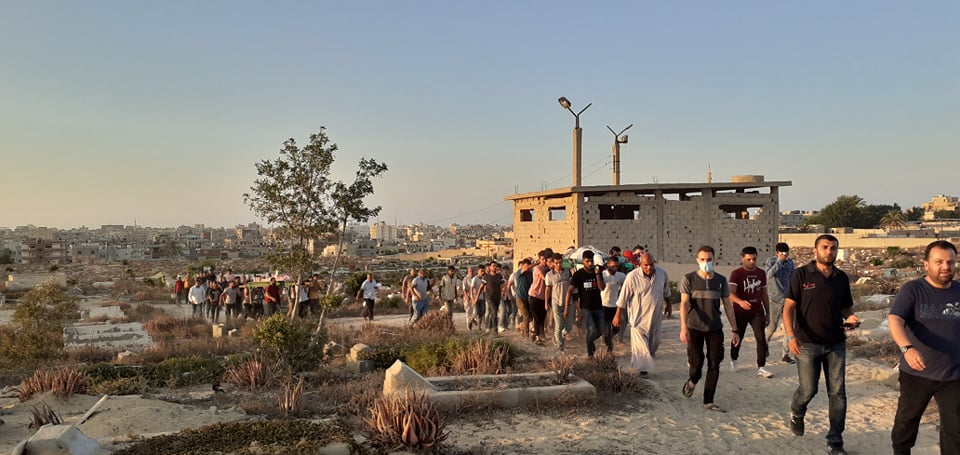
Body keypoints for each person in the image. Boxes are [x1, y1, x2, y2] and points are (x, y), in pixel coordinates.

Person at [784, 234, 859, 455]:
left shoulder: (841, 278)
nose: (829, 251)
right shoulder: (801, 274)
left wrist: (850, 318)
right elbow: (788, 307)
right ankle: (797, 411)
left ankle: (835, 441)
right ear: (815, 251)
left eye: (833, 248)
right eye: (825, 247)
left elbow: (846, 307)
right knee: (808, 390)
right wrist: (790, 336)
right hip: (806, 344)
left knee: (838, 394)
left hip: (836, 343)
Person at [888, 240, 960, 455]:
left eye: (950, 262)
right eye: (939, 262)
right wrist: (907, 348)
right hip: (916, 373)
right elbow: (894, 319)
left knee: (955, 429)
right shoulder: (913, 290)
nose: (945, 267)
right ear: (926, 264)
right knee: (906, 422)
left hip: (953, 374)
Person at [679, 245, 740, 413]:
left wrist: (735, 330)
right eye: (703, 259)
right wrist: (683, 327)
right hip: (694, 328)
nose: (706, 262)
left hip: (714, 328)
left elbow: (728, 305)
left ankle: (708, 400)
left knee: (715, 363)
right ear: (697, 260)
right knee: (696, 364)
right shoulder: (689, 279)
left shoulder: (720, 281)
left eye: (709, 259)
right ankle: (692, 381)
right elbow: (684, 304)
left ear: (714, 260)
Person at [613, 252, 670, 376]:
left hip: (655, 317)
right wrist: (617, 315)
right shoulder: (632, 277)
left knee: (654, 344)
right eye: (646, 265)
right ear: (640, 265)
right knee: (641, 347)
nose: (649, 267)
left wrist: (669, 305)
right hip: (637, 319)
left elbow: (666, 291)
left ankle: (638, 366)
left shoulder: (661, 273)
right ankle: (642, 372)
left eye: (651, 264)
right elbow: (623, 298)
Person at [729, 246, 774, 378]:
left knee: (761, 338)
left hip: (757, 311)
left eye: (754, 259)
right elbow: (729, 294)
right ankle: (734, 359)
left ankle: (761, 367)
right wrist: (740, 301)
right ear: (743, 258)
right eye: (749, 259)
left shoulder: (761, 273)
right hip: (740, 311)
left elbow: (764, 294)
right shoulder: (736, 273)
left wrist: (768, 313)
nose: (752, 262)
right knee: (738, 337)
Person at [567, 250, 606, 358]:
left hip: (598, 306)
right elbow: (570, 290)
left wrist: (597, 274)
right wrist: (569, 307)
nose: (590, 263)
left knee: (601, 330)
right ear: (583, 261)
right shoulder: (578, 274)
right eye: (587, 261)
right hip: (585, 307)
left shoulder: (597, 272)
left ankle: (590, 341)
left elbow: (601, 288)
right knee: (591, 329)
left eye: (591, 261)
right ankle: (590, 354)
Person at [765, 242, 796, 364]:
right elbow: (768, 275)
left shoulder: (790, 263)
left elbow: (793, 278)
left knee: (789, 327)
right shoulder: (771, 261)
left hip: (787, 298)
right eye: (782, 253)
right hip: (775, 298)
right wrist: (779, 262)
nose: (785, 255)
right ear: (777, 253)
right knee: (772, 326)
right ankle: (764, 345)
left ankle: (785, 353)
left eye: (786, 253)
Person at [546, 253, 573, 352]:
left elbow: (572, 285)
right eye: (556, 263)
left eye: (560, 262)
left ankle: (563, 334)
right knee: (558, 325)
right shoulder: (549, 275)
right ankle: (560, 346)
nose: (559, 265)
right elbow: (548, 289)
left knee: (569, 325)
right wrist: (546, 302)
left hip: (568, 302)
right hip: (556, 302)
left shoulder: (567, 272)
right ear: (553, 263)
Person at [601, 255, 626, 353]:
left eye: (616, 266)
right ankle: (609, 348)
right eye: (612, 266)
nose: (614, 268)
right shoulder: (602, 275)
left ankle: (608, 339)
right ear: (608, 265)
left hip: (615, 306)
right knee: (607, 328)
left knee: (616, 328)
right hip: (603, 305)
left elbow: (627, 285)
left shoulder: (621, 276)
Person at [528, 250, 550, 343]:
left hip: (543, 297)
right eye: (542, 259)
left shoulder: (548, 268)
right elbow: (545, 279)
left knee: (542, 317)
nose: (544, 261)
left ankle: (538, 333)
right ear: (539, 260)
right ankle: (537, 337)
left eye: (545, 259)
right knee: (537, 318)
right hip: (534, 295)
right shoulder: (538, 268)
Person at [478, 262, 506, 336]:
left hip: (497, 297)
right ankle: (495, 331)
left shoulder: (499, 276)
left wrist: (503, 291)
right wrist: (476, 297)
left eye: (495, 266)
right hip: (489, 297)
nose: (494, 267)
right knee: (494, 312)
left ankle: (489, 327)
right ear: (490, 267)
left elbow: (503, 285)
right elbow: (481, 287)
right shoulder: (486, 277)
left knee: (494, 313)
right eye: (493, 266)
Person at [512, 258, 534, 338]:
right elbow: (527, 268)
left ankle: (520, 324)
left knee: (530, 316)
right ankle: (526, 333)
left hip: (527, 297)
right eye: (527, 265)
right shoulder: (519, 272)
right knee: (526, 315)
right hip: (520, 298)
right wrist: (536, 263)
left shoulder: (530, 273)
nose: (529, 267)